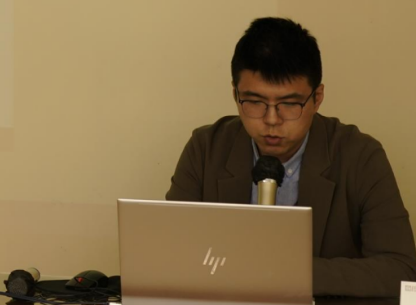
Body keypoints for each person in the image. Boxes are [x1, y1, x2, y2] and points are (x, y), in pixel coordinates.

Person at [166, 18, 416, 296]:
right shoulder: (206, 149)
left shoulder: (360, 156)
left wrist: (285, 273)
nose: (271, 119)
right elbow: (169, 254)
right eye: (255, 102)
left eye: (289, 104)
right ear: (235, 94)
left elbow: (400, 270)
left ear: (317, 97)